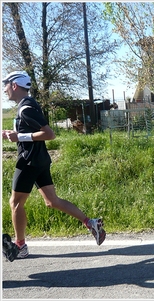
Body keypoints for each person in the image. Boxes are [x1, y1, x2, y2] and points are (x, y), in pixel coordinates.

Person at [2, 71, 106, 262]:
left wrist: (20, 137)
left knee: (15, 203)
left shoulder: (26, 108)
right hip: (39, 159)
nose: (4, 89)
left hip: (29, 161)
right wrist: (12, 134)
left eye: (6, 85)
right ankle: (90, 223)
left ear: (14, 85)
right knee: (52, 201)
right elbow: (28, 131)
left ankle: (20, 245)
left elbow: (49, 134)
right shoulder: (27, 105)